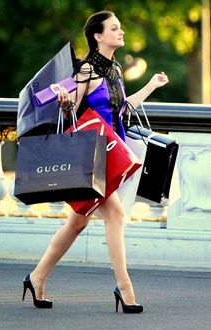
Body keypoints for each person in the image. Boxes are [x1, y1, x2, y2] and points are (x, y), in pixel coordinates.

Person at [22, 10, 169, 313]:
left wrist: (152, 84)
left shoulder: (114, 70)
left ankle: (36, 277)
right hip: (90, 156)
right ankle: (124, 287)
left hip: (113, 153)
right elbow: (69, 114)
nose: (121, 32)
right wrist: (64, 102)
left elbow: (124, 108)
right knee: (115, 214)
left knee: (77, 222)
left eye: (120, 28)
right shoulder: (86, 71)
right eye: (115, 28)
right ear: (98, 36)